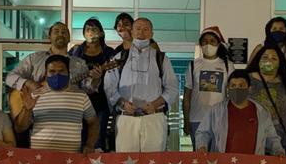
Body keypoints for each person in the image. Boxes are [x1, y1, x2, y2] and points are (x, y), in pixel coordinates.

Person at [105, 17, 178, 152]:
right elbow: (109, 87)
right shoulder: (119, 58)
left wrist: (155, 104)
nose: (141, 33)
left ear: (151, 33)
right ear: (132, 32)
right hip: (126, 119)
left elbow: (172, 88)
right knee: (125, 162)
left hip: (154, 118)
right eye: (138, 29)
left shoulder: (161, 58)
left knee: (154, 162)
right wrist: (122, 103)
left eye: (146, 29)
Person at [6, 22, 94, 133]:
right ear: (49, 37)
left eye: (64, 32)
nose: (60, 34)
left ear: (69, 38)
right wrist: (28, 83)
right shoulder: (34, 59)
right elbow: (10, 77)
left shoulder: (79, 64)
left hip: (67, 116)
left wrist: (95, 79)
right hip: (38, 116)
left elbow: (87, 89)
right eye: (56, 31)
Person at [16, 55, 99, 154]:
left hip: (70, 158)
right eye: (52, 71)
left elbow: (94, 122)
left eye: (61, 71)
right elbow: (19, 128)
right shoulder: (34, 96)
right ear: (46, 74)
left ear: (68, 73)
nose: (57, 75)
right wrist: (26, 109)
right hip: (40, 157)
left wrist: (90, 144)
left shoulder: (81, 96)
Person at [192, 70, 283, 156]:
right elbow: (203, 132)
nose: (237, 89)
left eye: (241, 86)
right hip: (223, 163)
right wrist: (202, 146)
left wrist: (278, 151)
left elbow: (272, 138)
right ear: (228, 88)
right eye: (233, 86)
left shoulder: (262, 112)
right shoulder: (216, 110)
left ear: (249, 88)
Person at [70, 18, 119, 151]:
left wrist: (98, 77)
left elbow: (115, 76)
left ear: (101, 33)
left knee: (97, 140)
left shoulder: (108, 52)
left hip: (100, 102)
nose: (91, 32)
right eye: (87, 29)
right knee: (79, 139)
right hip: (78, 102)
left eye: (94, 29)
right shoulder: (75, 51)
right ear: (83, 33)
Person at [247, 43, 286, 155]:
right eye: (265, 57)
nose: (269, 61)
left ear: (280, 62)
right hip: (252, 137)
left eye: (274, 58)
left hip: (281, 141)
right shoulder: (247, 79)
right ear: (258, 59)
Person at [184, 26, 232, 142]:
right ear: (200, 44)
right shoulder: (193, 65)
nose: (208, 44)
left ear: (218, 44)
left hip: (220, 119)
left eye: (212, 41)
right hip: (197, 119)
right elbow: (187, 96)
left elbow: (232, 95)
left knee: (219, 152)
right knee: (199, 152)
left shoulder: (228, 65)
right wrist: (186, 120)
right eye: (205, 41)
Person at [248, 17, 286, 99]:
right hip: (260, 88)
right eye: (274, 29)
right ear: (269, 31)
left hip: (284, 90)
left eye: (281, 29)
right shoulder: (260, 48)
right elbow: (249, 70)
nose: (278, 31)